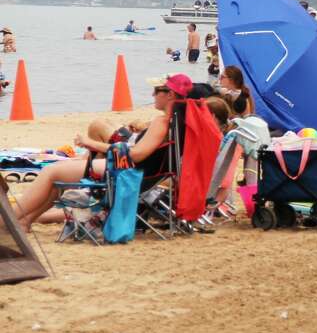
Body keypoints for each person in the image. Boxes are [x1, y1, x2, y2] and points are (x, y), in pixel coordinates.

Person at [12, 75, 189, 231]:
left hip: (127, 173)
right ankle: (24, 221)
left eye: (157, 91)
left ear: (170, 94)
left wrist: (91, 143)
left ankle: (9, 219)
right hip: (143, 176)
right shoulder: (179, 122)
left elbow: (136, 155)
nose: (152, 95)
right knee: (61, 173)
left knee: (51, 171)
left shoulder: (162, 122)